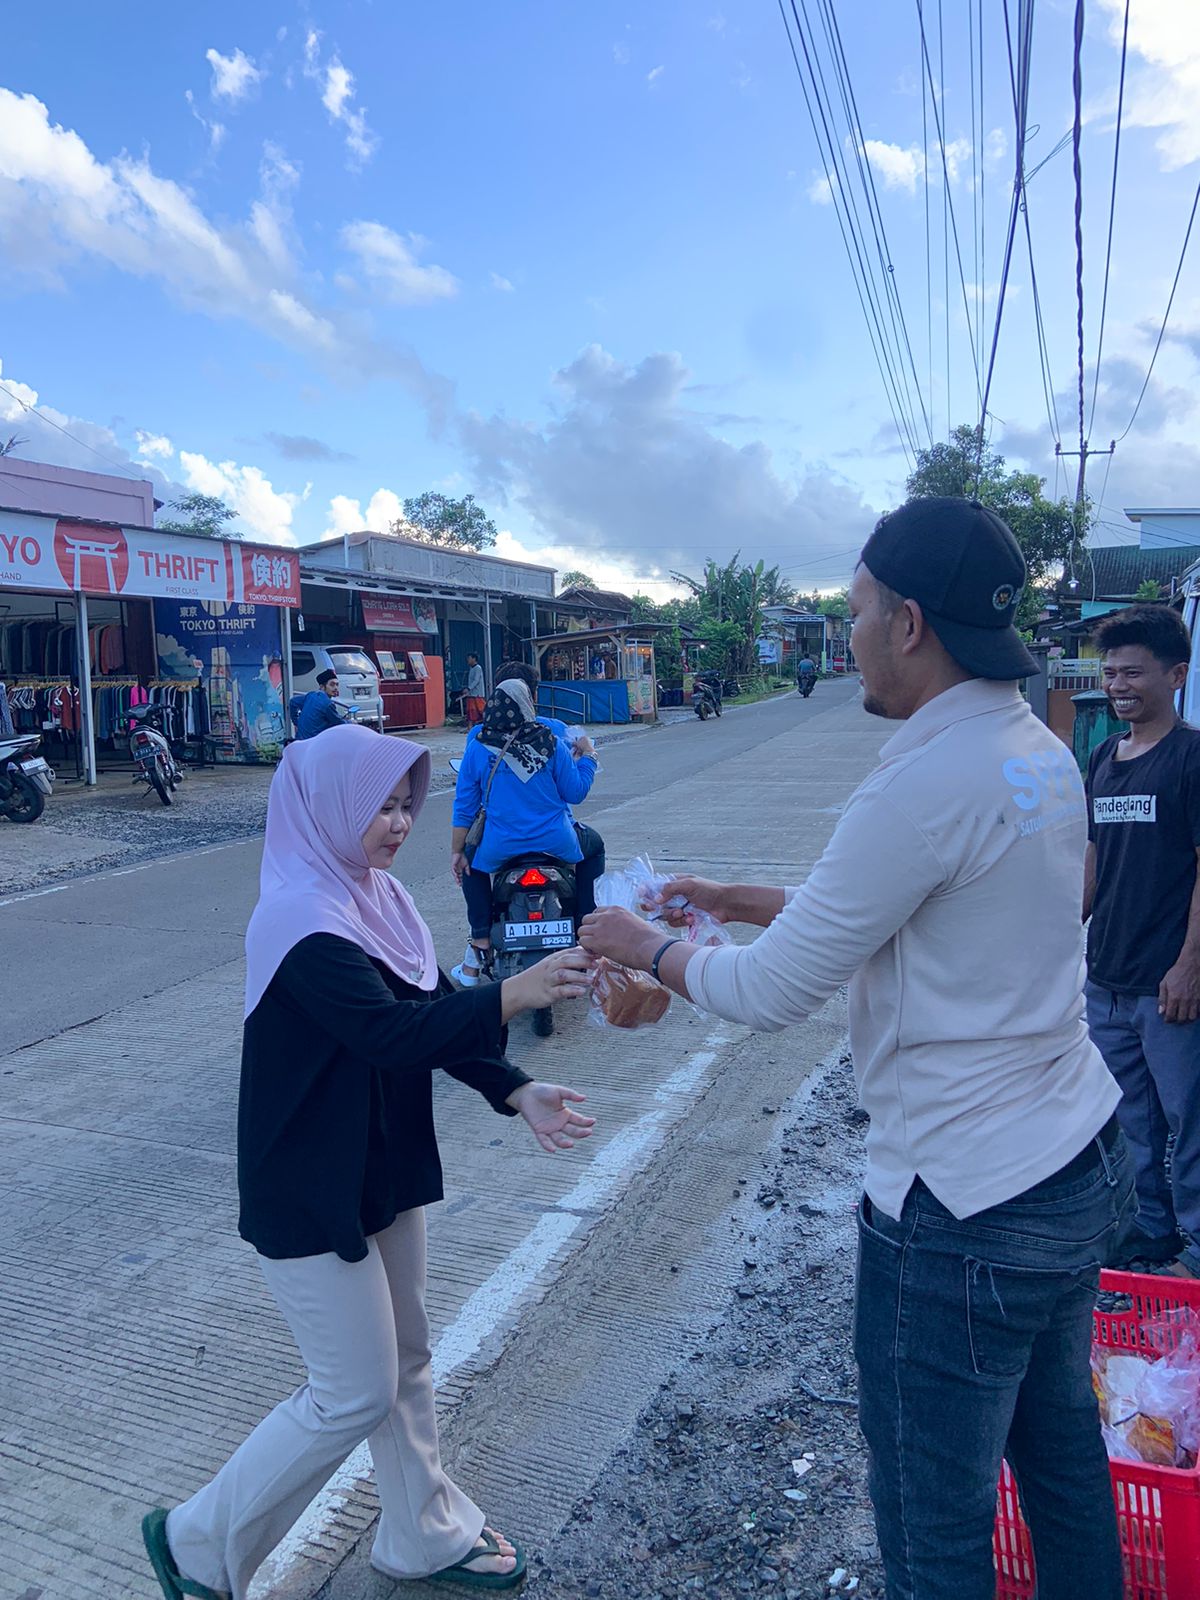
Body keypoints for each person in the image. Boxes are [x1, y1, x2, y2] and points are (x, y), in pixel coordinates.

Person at [580, 497, 1132, 1600]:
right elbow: (917, 909)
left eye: (859, 611)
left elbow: (775, 989)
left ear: (909, 623)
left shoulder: (921, 784)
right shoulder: (1034, 749)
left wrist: (648, 947)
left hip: (966, 1206)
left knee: (935, 1525)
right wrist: (736, 895)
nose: (852, 634)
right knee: (1064, 1462)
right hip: (1073, 1156)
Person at [142, 724, 594, 1600]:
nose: (397, 823)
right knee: (352, 1390)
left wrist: (514, 1088)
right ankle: (195, 1543)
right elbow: (390, 1034)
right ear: (327, 809)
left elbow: (430, 1004)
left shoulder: (375, 899)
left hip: (379, 1164)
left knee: (408, 1357)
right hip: (308, 1184)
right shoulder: (300, 920)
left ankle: (422, 1534)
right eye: (378, 806)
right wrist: (515, 991)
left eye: (403, 804)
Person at [1083, 604, 1200, 1276]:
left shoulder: (1192, 758)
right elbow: (1094, 857)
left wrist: (1189, 966)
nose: (1117, 685)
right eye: (1110, 672)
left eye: (1133, 672)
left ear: (1176, 675)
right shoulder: (1104, 756)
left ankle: (1198, 1250)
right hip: (1108, 978)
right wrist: (1061, 936)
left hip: (1169, 985)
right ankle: (1148, 1231)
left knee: (1190, 1120)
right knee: (1127, 1118)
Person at [450, 678, 599, 986]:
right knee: (594, 847)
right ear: (527, 705)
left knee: (469, 863)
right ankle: (586, 928)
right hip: (556, 843)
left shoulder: (478, 748)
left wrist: (457, 852)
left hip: (500, 847)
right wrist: (588, 759)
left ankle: (481, 938)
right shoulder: (551, 743)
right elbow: (575, 793)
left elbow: (464, 808)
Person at [295, 668, 343, 740]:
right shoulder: (328, 704)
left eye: (337, 685)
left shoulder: (311, 695)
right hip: (314, 741)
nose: (336, 688)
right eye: (332, 685)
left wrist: (296, 722)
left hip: (299, 740)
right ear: (322, 687)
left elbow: (292, 702)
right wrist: (351, 723)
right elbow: (338, 722)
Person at [464, 654, 486, 726]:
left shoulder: (478, 668)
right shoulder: (471, 668)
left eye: (469, 658)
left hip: (477, 694)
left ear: (474, 659)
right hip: (471, 694)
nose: (468, 660)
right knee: (471, 712)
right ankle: (470, 727)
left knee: (481, 710)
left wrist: (469, 688)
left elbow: (476, 680)